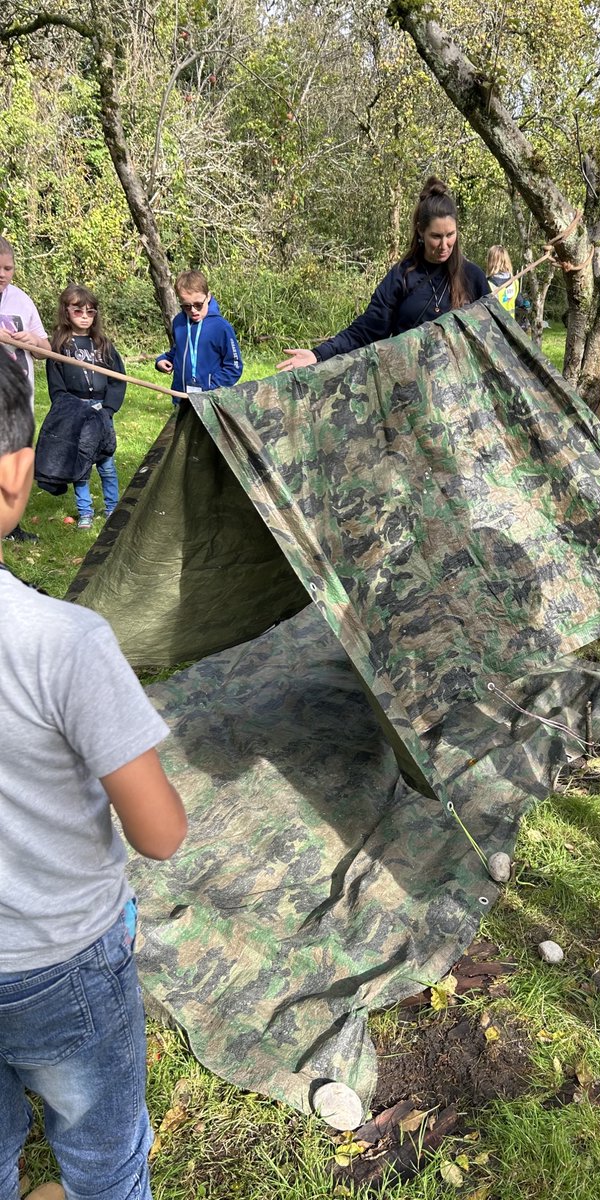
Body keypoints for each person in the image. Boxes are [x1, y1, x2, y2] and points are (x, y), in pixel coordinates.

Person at [0, 353, 187, 1200]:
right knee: (106, 1162)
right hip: (60, 965)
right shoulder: (63, 642)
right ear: (16, 470)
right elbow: (161, 833)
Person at [277, 177, 491, 370]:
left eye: (450, 235)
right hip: (411, 387)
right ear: (420, 231)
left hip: (462, 394)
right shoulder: (402, 275)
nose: (444, 245)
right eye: (436, 236)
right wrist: (318, 354)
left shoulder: (473, 277)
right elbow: (366, 330)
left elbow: (491, 338)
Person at [46, 285, 125, 529]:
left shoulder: (103, 344)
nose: (84, 316)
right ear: (66, 311)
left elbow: (117, 379)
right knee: (80, 466)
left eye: (90, 312)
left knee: (106, 464)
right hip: (76, 412)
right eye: (78, 310)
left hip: (101, 411)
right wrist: (69, 409)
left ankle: (113, 508)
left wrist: (108, 409)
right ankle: (86, 513)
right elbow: (56, 386)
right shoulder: (60, 347)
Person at [0, 236, 50, 543]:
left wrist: (33, 341)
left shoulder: (21, 299)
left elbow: (45, 349)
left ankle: (9, 526)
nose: (2, 274)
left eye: (8, 268)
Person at [155, 269, 243, 400]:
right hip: (182, 398)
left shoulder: (221, 327)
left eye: (198, 305)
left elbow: (234, 367)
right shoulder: (179, 322)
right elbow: (179, 350)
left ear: (208, 297)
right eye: (186, 306)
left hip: (209, 399)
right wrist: (163, 360)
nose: (193, 311)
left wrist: (210, 387)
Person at [485, 245, 519, 315]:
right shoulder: (515, 282)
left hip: (495, 325)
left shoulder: (487, 284)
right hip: (511, 324)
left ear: (490, 262)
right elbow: (519, 301)